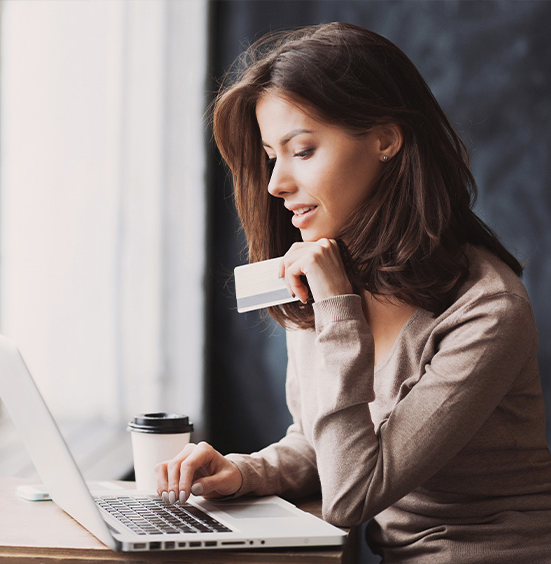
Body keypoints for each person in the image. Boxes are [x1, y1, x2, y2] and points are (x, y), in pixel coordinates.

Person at [155, 22, 551, 563]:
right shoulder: (329, 270)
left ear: (386, 139)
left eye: (303, 150)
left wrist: (338, 312)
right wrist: (244, 472)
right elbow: (323, 444)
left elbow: (351, 496)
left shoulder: (487, 310)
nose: (276, 183)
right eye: (272, 155)